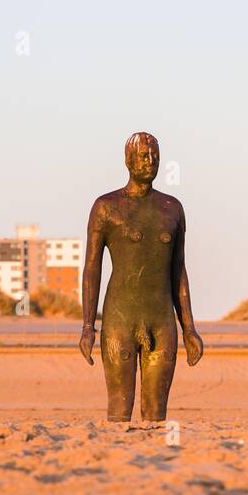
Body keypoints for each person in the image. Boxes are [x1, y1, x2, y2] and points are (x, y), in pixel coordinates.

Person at [78, 132, 203, 421]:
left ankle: (158, 464)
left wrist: (189, 329)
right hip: (119, 319)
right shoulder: (106, 207)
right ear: (128, 160)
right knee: (120, 411)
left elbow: (178, 271)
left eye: (156, 157)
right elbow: (91, 268)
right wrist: (87, 326)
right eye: (144, 156)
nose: (151, 162)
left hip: (161, 320)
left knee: (157, 415)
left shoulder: (172, 209)